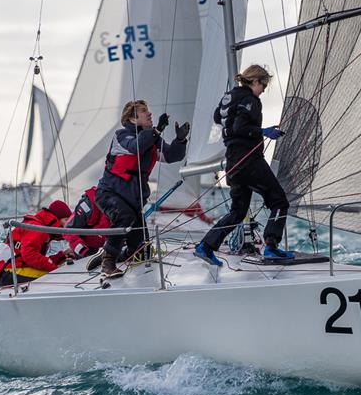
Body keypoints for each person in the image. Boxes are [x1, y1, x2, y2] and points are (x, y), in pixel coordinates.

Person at [194, 64, 292, 267]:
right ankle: (271, 247)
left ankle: (206, 246)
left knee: (238, 211)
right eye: (263, 85)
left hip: (233, 163)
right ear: (255, 81)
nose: (264, 90)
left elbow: (217, 117)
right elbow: (240, 127)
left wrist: (252, 128)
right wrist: (264, 132)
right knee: (279, 202)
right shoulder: (250, 99)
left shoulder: (229, 97)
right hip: (249, 161)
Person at [95, 99, 190, 277]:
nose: (150, 114)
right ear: (132, 119)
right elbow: (136, 146)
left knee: (142, 252)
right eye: (144, 111)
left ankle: (110, 253)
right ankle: (108, 262)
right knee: (124, 217)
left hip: (133, 201)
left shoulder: (153, 139)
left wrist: (180, 139)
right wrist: (156, 130)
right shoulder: (122, 136)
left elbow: (171, 156)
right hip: (109, 194)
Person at [0, 200, 73, 286]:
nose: (68, 224)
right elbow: (29, 255)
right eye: (66, 220)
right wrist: (55, 268)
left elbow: (35, 259)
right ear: (56, 219)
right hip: (9, 273)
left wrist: (61, 256)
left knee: (55, 273)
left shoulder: (38, 225)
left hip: (10, 271)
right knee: (57, 276)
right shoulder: (38, 229)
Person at [63, 186, 112, 259]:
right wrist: (84, 251)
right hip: (85, 251)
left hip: (107, 249)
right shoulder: (88, 205)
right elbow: (68, 231)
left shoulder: (125, 205)